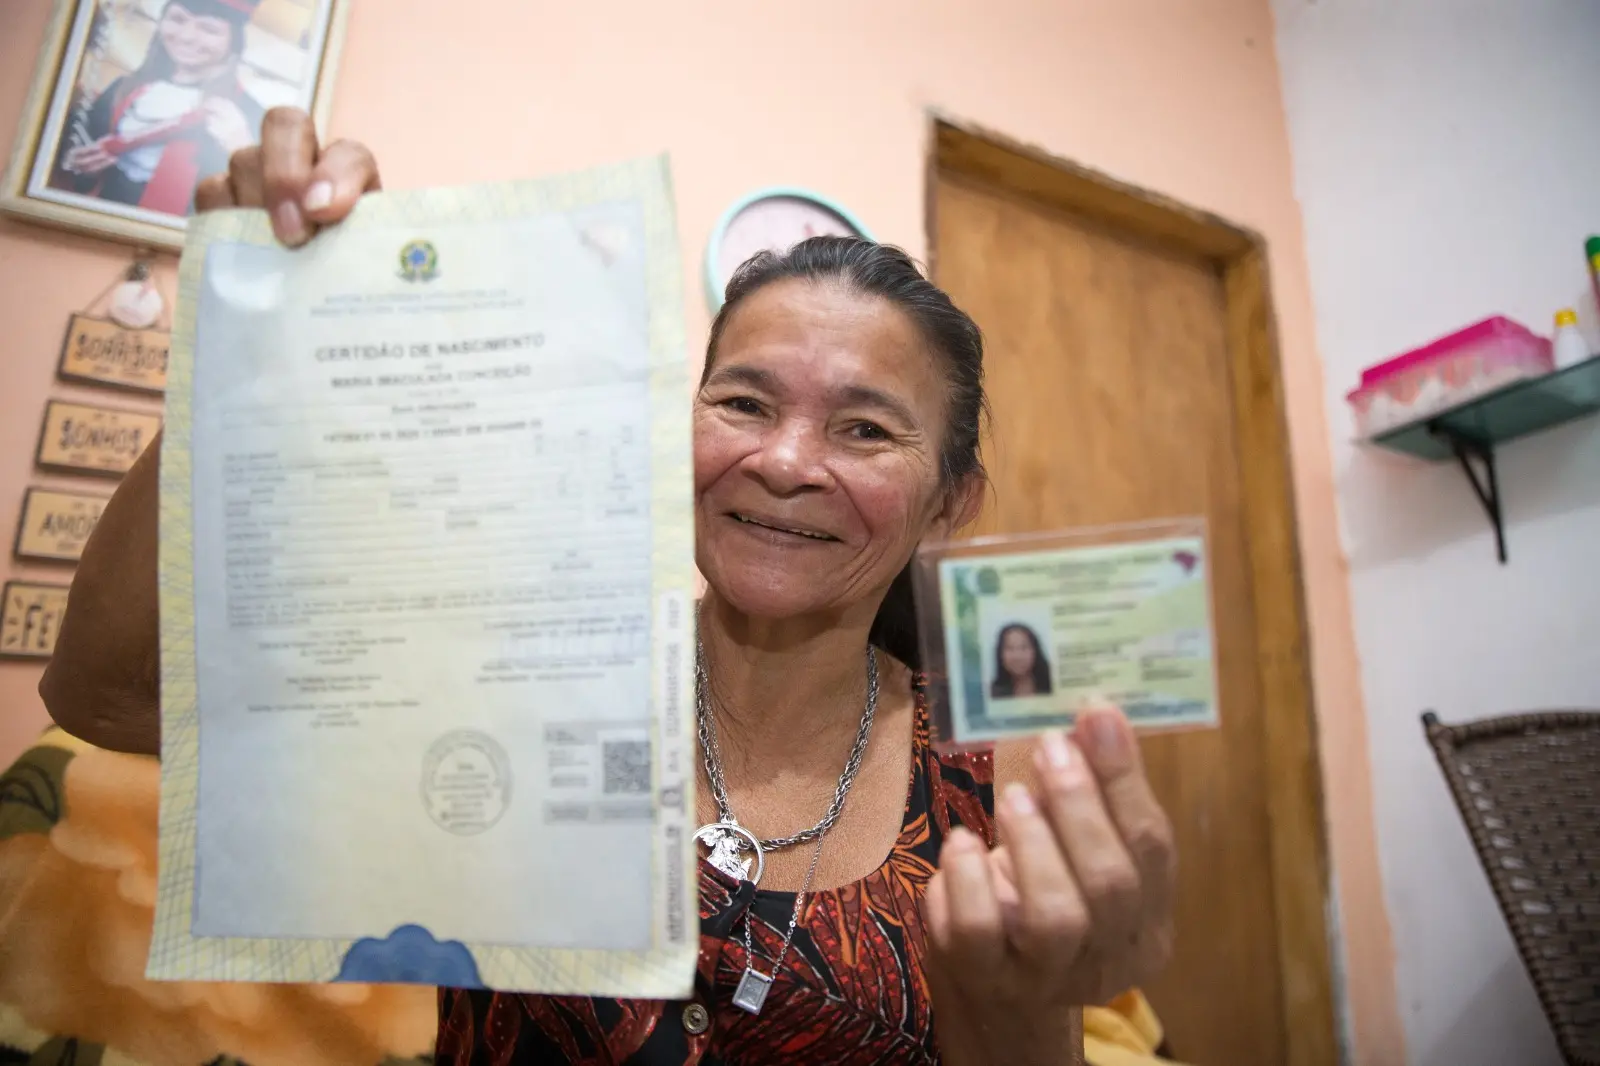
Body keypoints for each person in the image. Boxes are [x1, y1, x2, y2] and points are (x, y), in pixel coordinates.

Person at [41, 108, 1178, 1065]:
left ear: (948, 503)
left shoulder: (991, 775)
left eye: (865, 427)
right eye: (741, 401)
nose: (783, 460)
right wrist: (248, 347)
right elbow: (108, 696)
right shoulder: (526, 670)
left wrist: (1026, 1012)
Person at [57, 0, 263, 216]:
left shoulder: (250, 116)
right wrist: (85, 169)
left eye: (209, 29)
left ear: (234, 41)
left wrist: (242, 150)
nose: (186, 36)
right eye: (177, 19)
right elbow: (68, 162)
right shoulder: (123, 89)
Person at [992, 623, 1053, 699]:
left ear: (1035, 651)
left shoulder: (1053, 684)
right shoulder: (993, 693)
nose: (1017, 656)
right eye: (1010, 648)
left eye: (1024, 648)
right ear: (1000, 654)